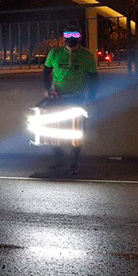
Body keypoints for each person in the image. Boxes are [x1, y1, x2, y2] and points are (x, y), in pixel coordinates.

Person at [42, 26, 98, 174]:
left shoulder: (87, 56)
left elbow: (93, 78)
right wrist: (47, 89)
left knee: (77, 131)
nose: (71, 38)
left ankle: (73, 164)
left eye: (74, 35)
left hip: (77, 97)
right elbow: (46, 71)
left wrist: (91, 98)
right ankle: (59, 158)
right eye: (68, 35)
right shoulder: (55, 53)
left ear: (79, 37)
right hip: (58, 96)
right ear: (63, 37)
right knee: (52, 129)